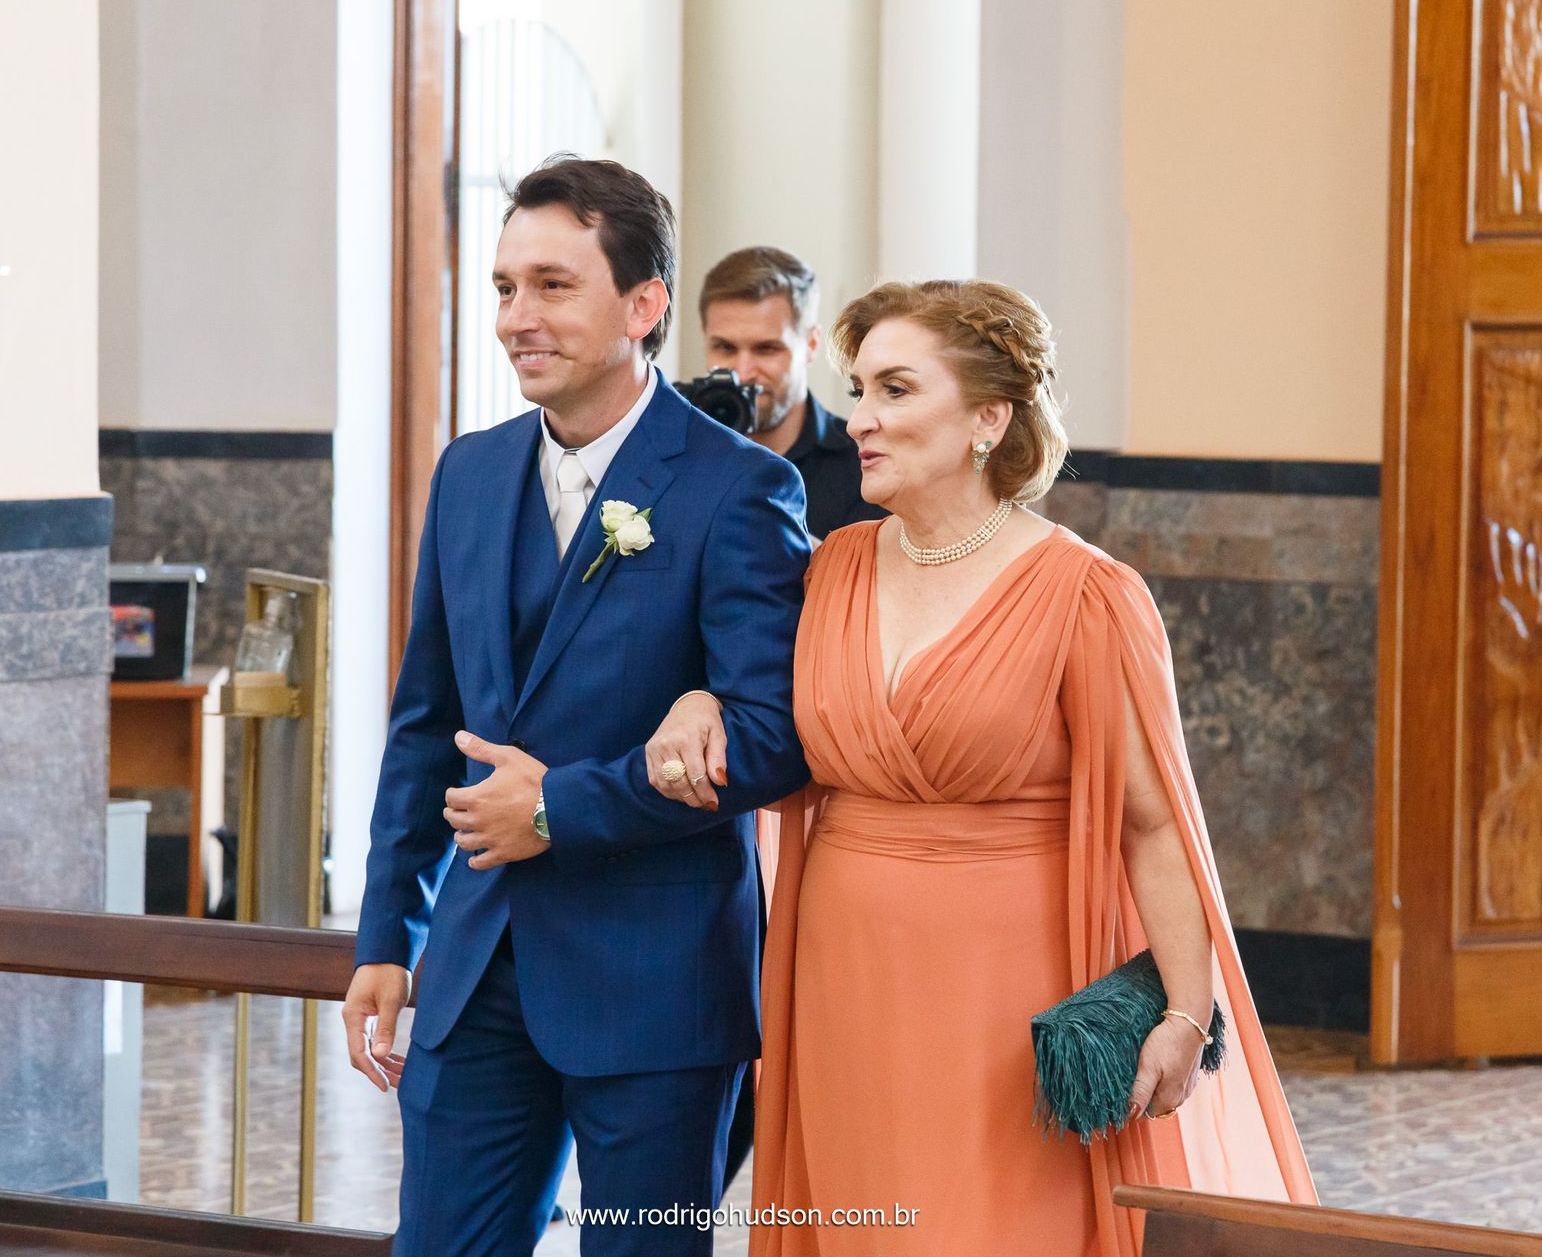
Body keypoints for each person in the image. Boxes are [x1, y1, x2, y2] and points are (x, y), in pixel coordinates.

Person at [647, 279, 1317, 1255]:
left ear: (988, 418)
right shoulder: (827, 567)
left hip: (1004, 1003)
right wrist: (701, 698)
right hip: (842, 987)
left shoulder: (1086, 596)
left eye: (896, 390)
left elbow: (1153, 821)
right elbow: (759, 711)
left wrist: (1183, 1007)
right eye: (860, 389)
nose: (861, 419)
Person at [343, 155, 812, 1257]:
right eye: (505, 286)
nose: (516, 316)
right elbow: (426, 722)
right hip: (475, 962)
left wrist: (559, 807)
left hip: (652, 974)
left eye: (552, 285)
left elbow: (769, 738)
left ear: (643, 305)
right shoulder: (468, 471)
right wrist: (384, 931)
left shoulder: (736, 487)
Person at [699, 246, 885, 539]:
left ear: (811, 345)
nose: (743, 372)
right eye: (725, 348)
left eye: (766, 349)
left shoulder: (864, 464)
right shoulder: (676, 448)